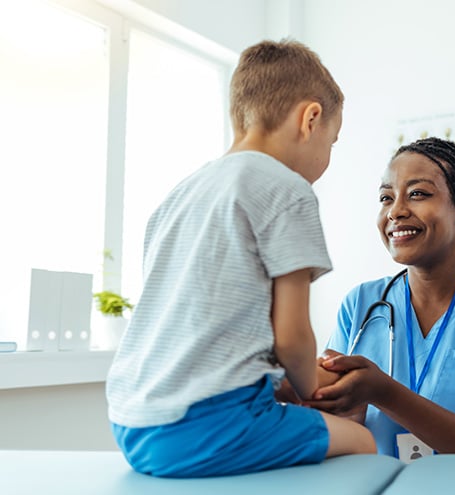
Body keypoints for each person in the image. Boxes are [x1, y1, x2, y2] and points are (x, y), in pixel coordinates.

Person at [105, 39, 375, 478]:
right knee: (361, 442)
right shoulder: (287, 190)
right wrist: (311, 390)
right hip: (206, 424)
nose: (328, 159)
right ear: (310, 119)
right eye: (333, 141)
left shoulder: (181, 194)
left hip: (132, 423)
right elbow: (291, 337)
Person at [305, 137, 455, 459]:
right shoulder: (361, 304)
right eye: (386, 198)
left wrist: (385, 393)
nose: (396, 211)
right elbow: (337, 415)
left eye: (418, 194)